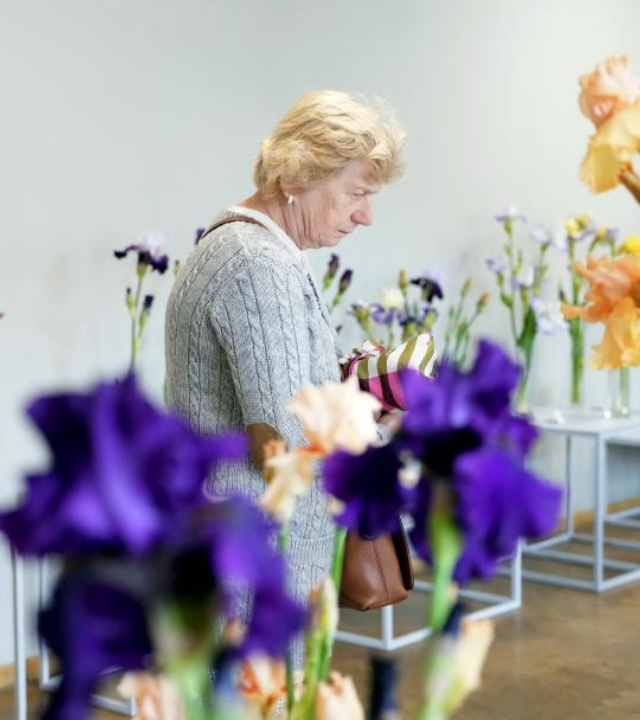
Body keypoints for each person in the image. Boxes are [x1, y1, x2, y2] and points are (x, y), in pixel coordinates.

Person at [164, 90, 406, 661]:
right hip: (255, 559)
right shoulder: (256, 263)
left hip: (239, 541)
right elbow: (288, 436)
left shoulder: (248, 249)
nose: (366, 216)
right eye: (356, 194)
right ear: (295, 175)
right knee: (262, 695)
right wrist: (381, 426)